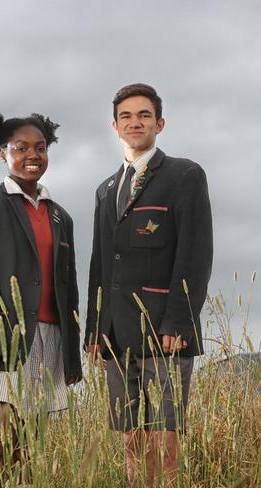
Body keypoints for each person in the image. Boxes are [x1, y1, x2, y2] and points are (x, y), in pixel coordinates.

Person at [85, 83, 213, 487]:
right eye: (126, 116)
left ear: (159, 123)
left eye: (143, 115)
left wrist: (178, 322)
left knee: (164, 434)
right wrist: (95, 330)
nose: (135, 122)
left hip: (164, 331)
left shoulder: (184, 175)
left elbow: (195, 254)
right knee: (130, 436)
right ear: (115, 126)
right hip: (117, 335)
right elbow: (100, 266)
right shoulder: (106, 189)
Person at [0, 111, 82, 481]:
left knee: (25, 454)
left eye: (40, 148)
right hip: (0, 341)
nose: (33, 155)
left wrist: (73, 350)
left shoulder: (61, 216)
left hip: (47, 339)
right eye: (21, 147)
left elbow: (68, 286)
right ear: (2, 152)